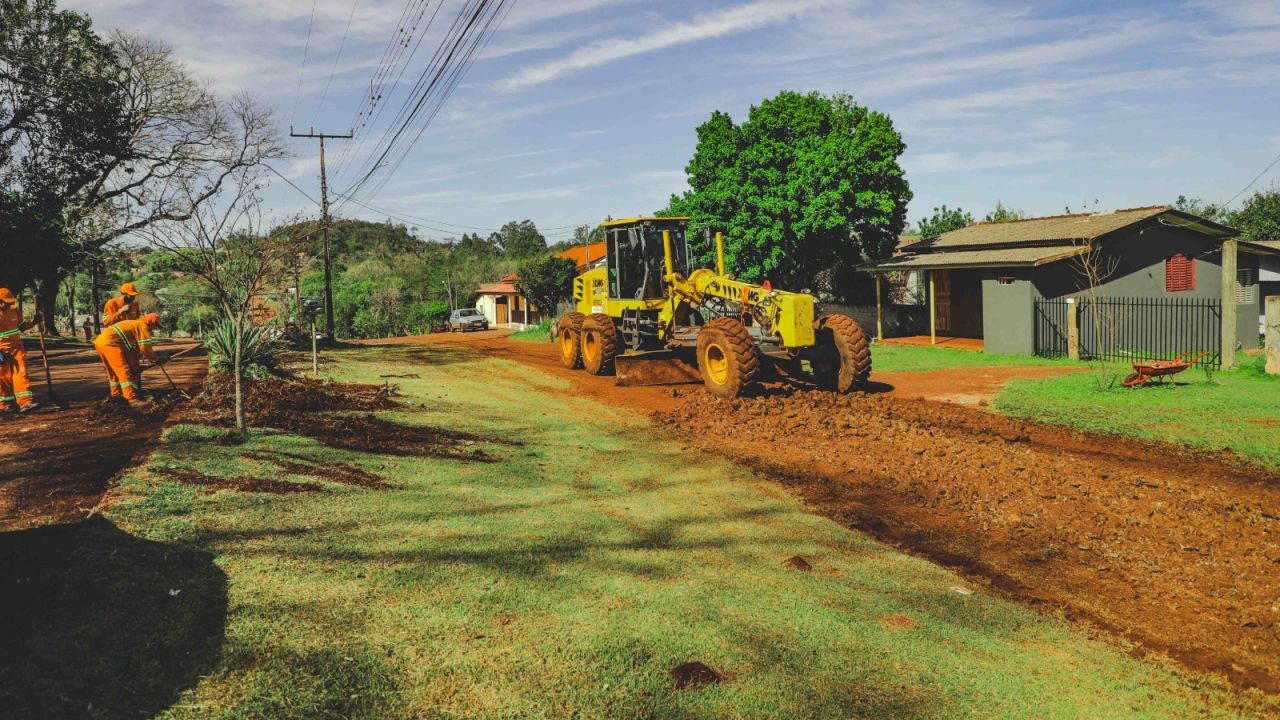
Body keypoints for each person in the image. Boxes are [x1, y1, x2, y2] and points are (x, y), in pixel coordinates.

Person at [94, 312, 161, 405]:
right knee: (124, 371)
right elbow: (145, 348)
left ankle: (116, 395)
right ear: (151, 322)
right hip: (110, 344)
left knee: (113, 372)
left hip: (100, 342)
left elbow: (134, 350)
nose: (155, 328)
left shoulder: (135, 324)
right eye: (156, 325)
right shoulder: (143, 326)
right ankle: (132, 399)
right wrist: (156, 359)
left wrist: (135, 365)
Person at [0, 287, 41, 413]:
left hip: (17, 348)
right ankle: (5, 405)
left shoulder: (15, 310)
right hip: (1, 351)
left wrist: (33, 322)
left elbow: (22, 326)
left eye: (10, 302)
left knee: (21, 374)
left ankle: (25, 403)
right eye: (6, 302)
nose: (9, 304)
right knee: (4, 377)